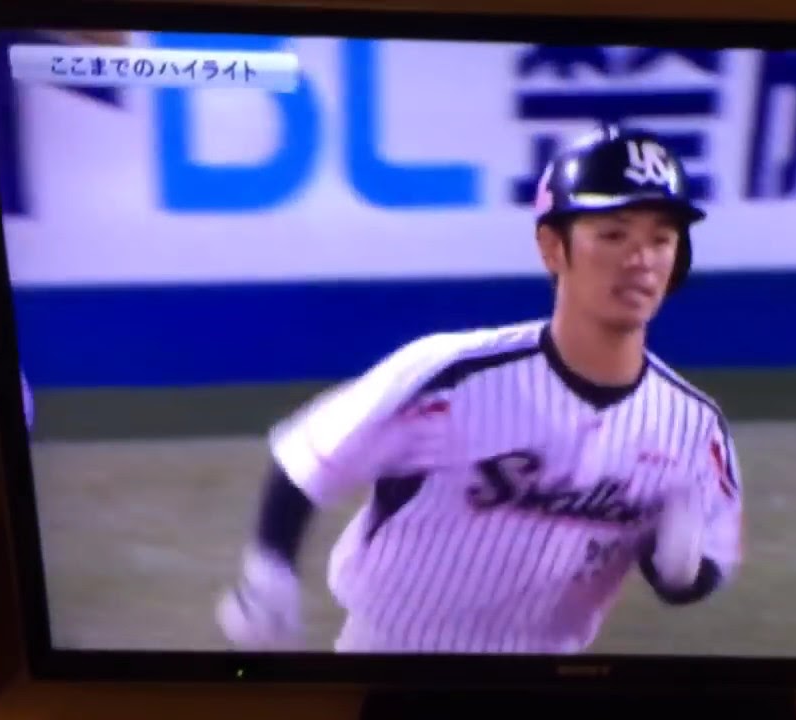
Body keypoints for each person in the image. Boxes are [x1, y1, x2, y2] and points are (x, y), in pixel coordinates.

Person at [215, 124, 745, 654]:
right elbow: (310, 453)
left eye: (661, 238)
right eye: (613, 234)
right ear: (552, 247)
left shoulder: (694, 430)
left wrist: (680, 572)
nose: (641, 259)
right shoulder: (451, 378)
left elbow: (709, 559)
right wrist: (269, 570)